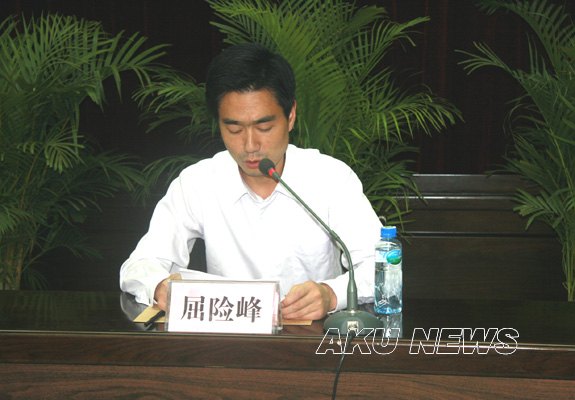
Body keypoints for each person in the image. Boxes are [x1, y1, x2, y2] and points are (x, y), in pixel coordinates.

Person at [120, 43, 382, 321]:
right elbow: (141, 264)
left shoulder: (331, 179)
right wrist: (159, 286)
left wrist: (331, 294)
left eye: (264, 127)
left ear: (291, 116)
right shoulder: (198, 183)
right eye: (234, 129)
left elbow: (380, 268)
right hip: (226, 338)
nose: (250, 145)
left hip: (310, 338)